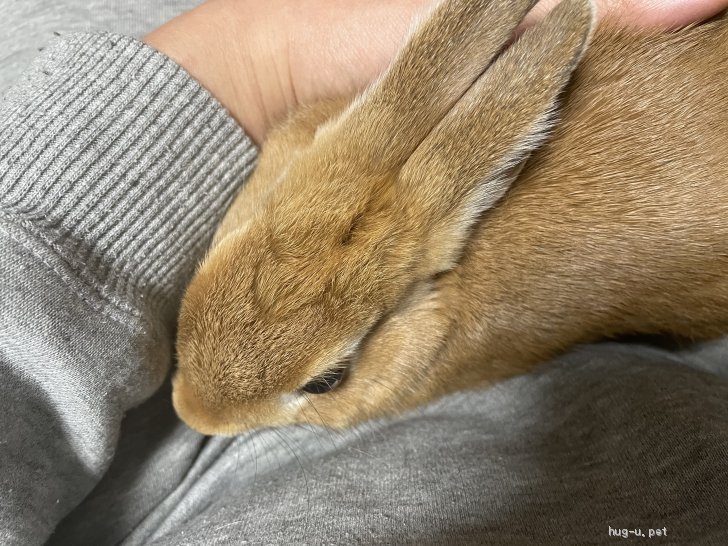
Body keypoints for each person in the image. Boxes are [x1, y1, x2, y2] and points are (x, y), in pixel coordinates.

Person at [1, 1, 727, 544]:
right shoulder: (314, 142)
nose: (202, 414)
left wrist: (263, 61)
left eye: (320, 380)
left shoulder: (456, 331)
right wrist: (256, 61)